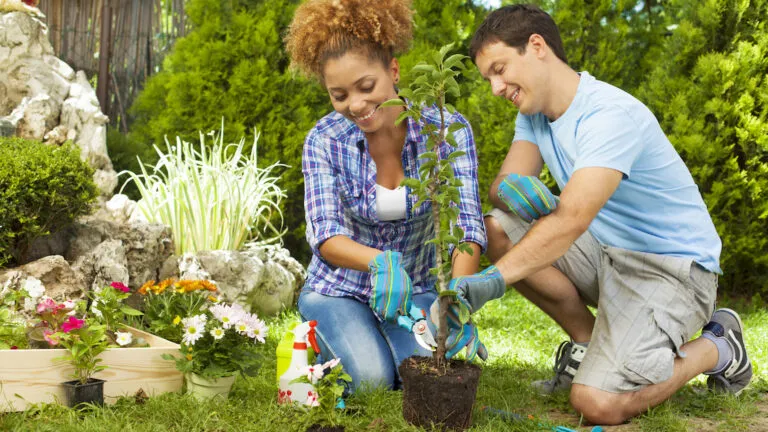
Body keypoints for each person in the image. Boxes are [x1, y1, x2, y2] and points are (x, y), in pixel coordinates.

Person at [436, 4, 753, 425]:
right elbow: (502, 187)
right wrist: (511, 189)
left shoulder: (608, 115)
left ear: (536, 46)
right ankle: (585, 344)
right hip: (609, 253)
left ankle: (720, 346)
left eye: (500, 69)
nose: (496, 87)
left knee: (597, 403)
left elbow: (570, 221)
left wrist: (490, 282)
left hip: (673, 271)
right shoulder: (534, 116)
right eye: (488, 78)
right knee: (499, 227)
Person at [284, 0, 487, 394]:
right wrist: (380, 263)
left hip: (417, 290)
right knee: (372, 382)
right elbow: (325, 235)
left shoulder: (446, 131)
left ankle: (378, 340)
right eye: (339, 95)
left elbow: (467, 226)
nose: (355, 105)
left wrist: (457, 300)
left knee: (427, 372)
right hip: (339, 289)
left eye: (366, 87)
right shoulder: (325, 140)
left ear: (393, 71)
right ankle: (321, 334)